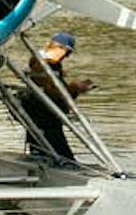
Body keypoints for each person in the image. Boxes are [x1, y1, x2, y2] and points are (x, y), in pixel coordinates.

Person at [18, 30, 89, 164]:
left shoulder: (44, 62)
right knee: (62, 153)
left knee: (43, 145)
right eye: (66, 53)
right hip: (46, 116)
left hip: (42, 114)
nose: (65, 57)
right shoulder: (45, 64)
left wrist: (73, 90)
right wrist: (75, 88)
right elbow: (52, 93)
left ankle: (40, 155)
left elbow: (55, 91)